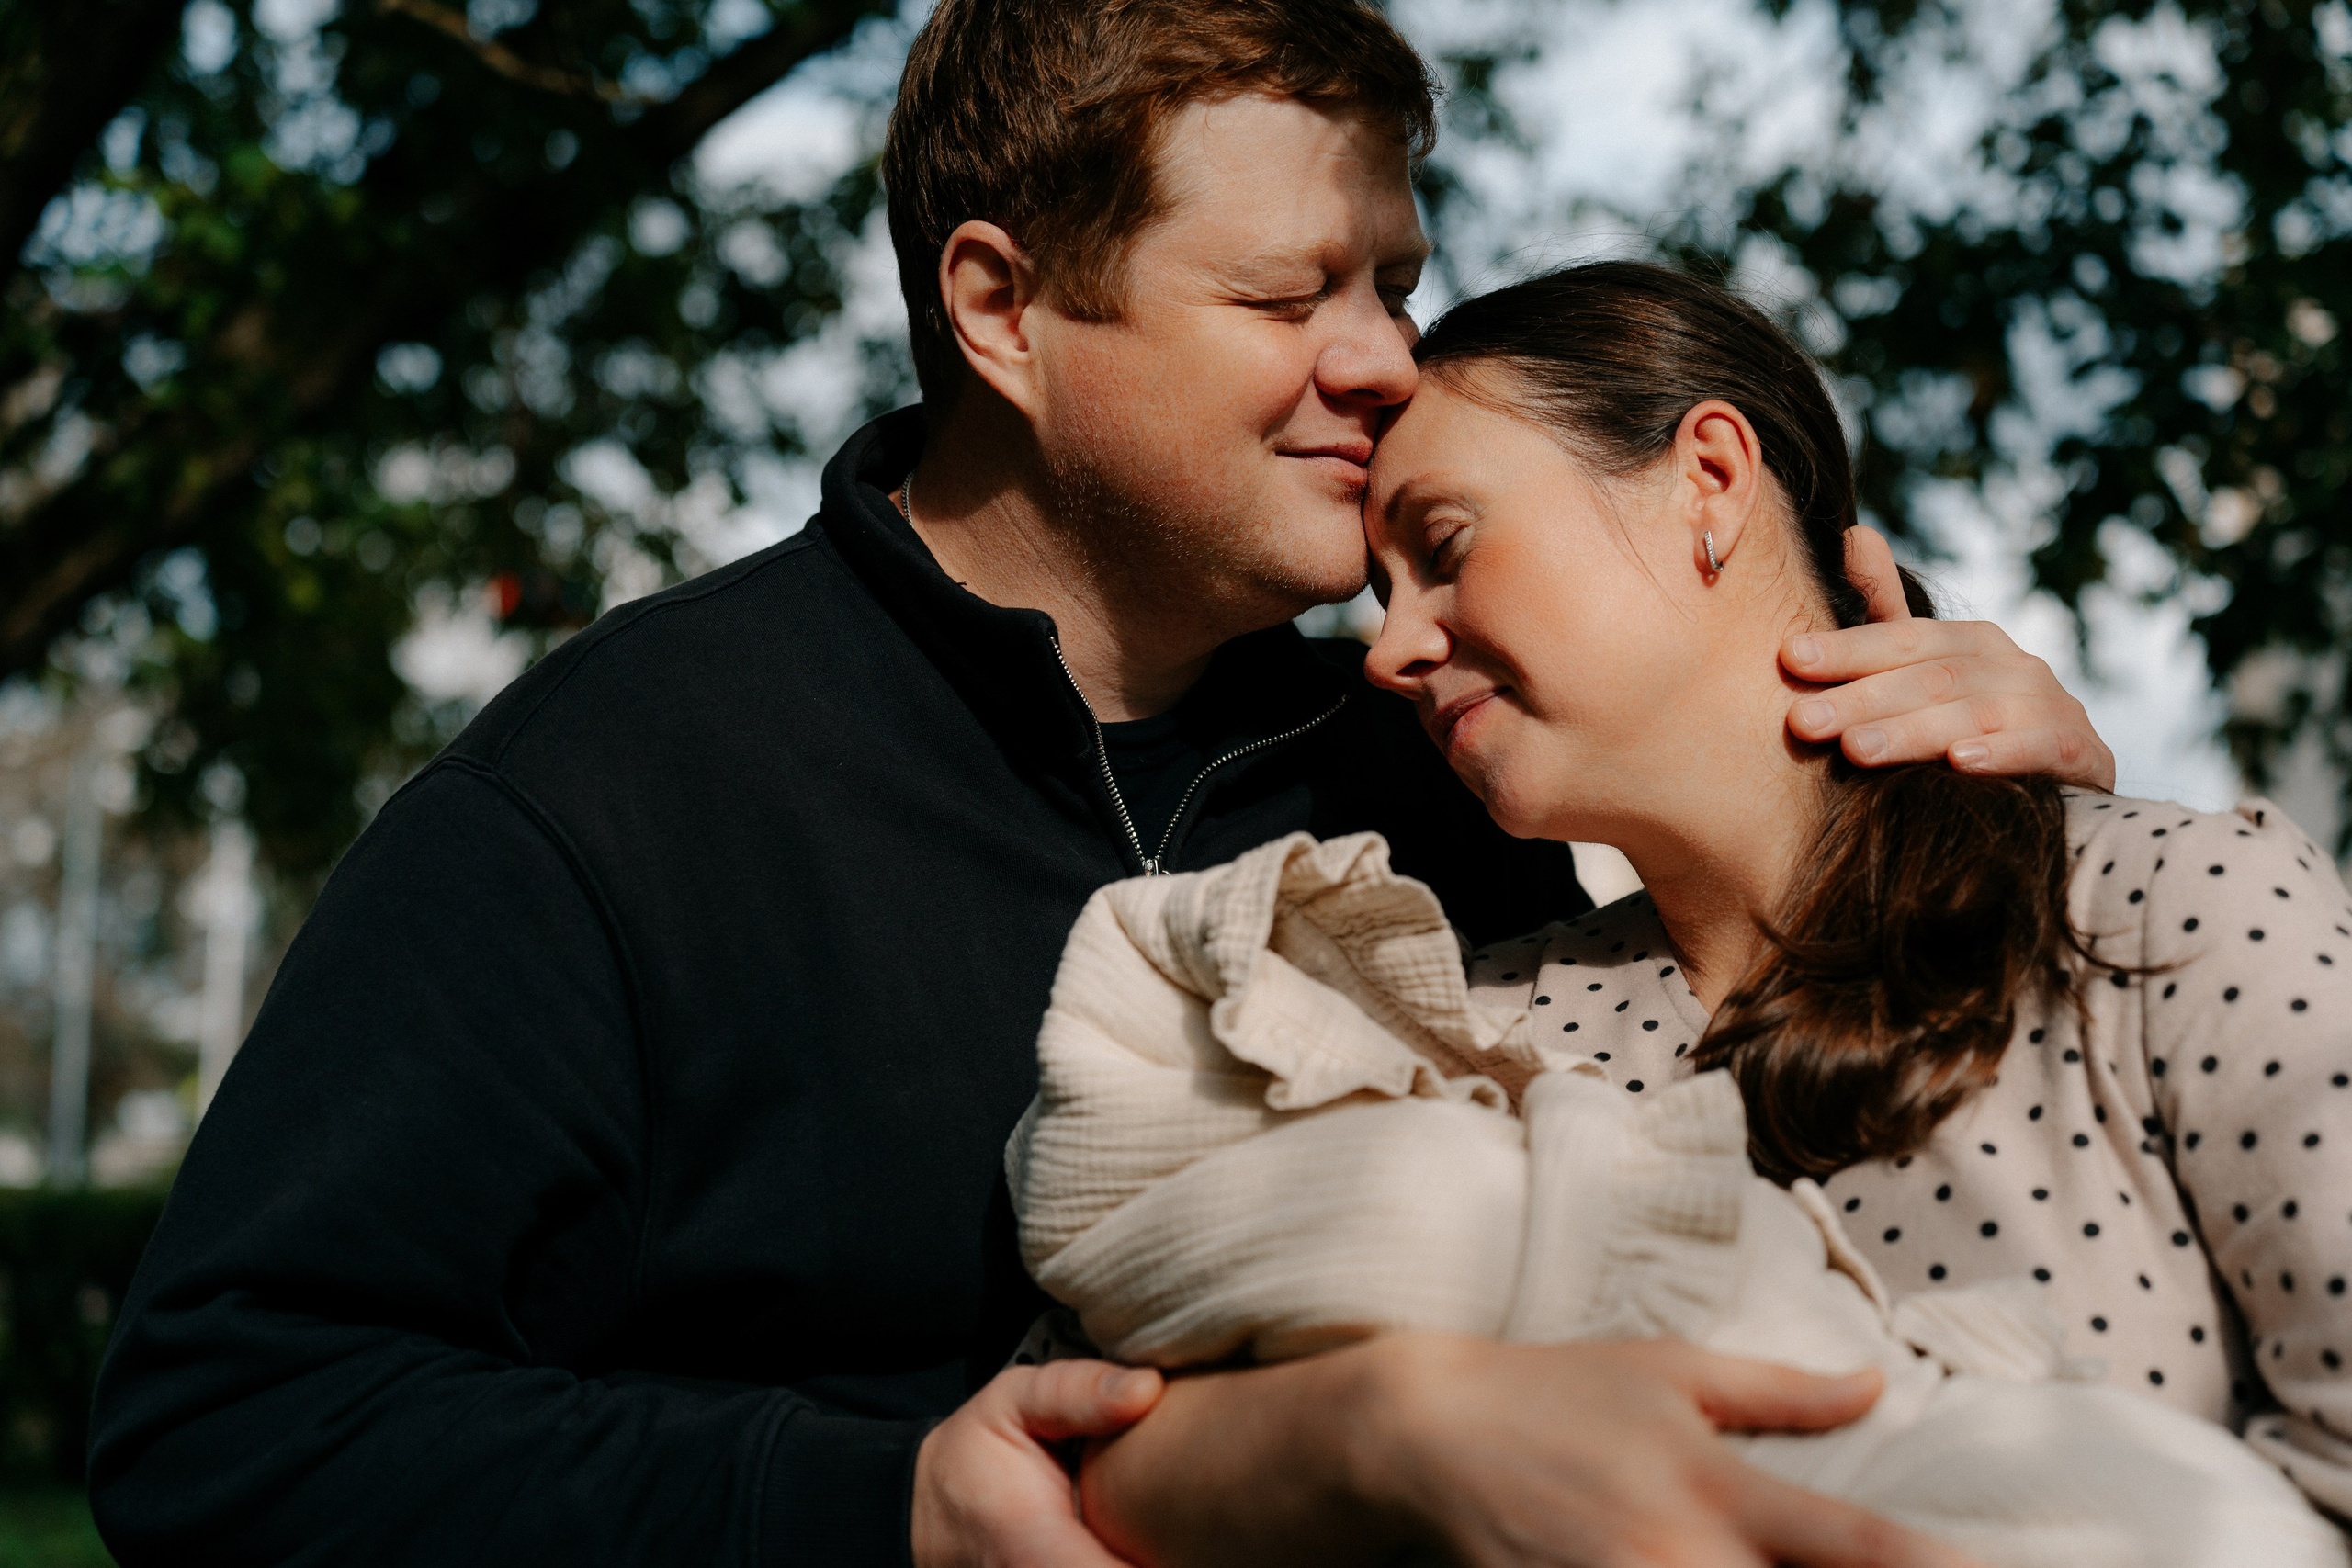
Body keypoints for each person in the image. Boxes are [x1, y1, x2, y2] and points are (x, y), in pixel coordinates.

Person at [87, 7, 2114, 1567]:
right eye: (1285, 294)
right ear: (1001, 310)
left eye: (1393, 283)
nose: (1383, 361)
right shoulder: (609, 798)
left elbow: (1803, 1093)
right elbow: (225, 1417)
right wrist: (875, 1504)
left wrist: (1984, 799)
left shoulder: (1434, 757)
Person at [1009, 260, 2352, 1564]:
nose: (1391, 648)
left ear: (1706, 478)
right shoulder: (1459, 1044)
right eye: (1381, 595)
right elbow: (1066, 1436)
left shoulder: (2168, 917)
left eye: (1445, 546)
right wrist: (1385, 1431)